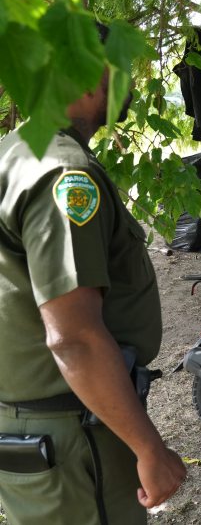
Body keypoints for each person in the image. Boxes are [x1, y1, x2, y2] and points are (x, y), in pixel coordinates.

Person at [0, 26, 186, 524]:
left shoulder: (14, 153)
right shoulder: (63, 174)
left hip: (43, 427)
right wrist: (148, 447)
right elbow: (75, 338)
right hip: (74, 436)